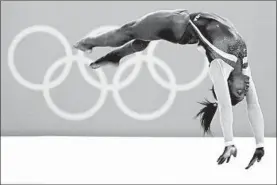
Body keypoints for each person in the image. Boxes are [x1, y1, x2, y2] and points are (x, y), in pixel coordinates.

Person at [73, 9, 265, 169]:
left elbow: (225, 106)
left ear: (227, 82)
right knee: (139, 39)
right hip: (184, 25)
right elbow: (254, 105)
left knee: (129, 31)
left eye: (239, 92)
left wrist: (228, 142)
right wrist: (259, 144)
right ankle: (110, 52)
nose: (246, 88)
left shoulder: (218, 67)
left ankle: (92, 44)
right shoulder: (244, 68)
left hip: (178, 25)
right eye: (243, 93)